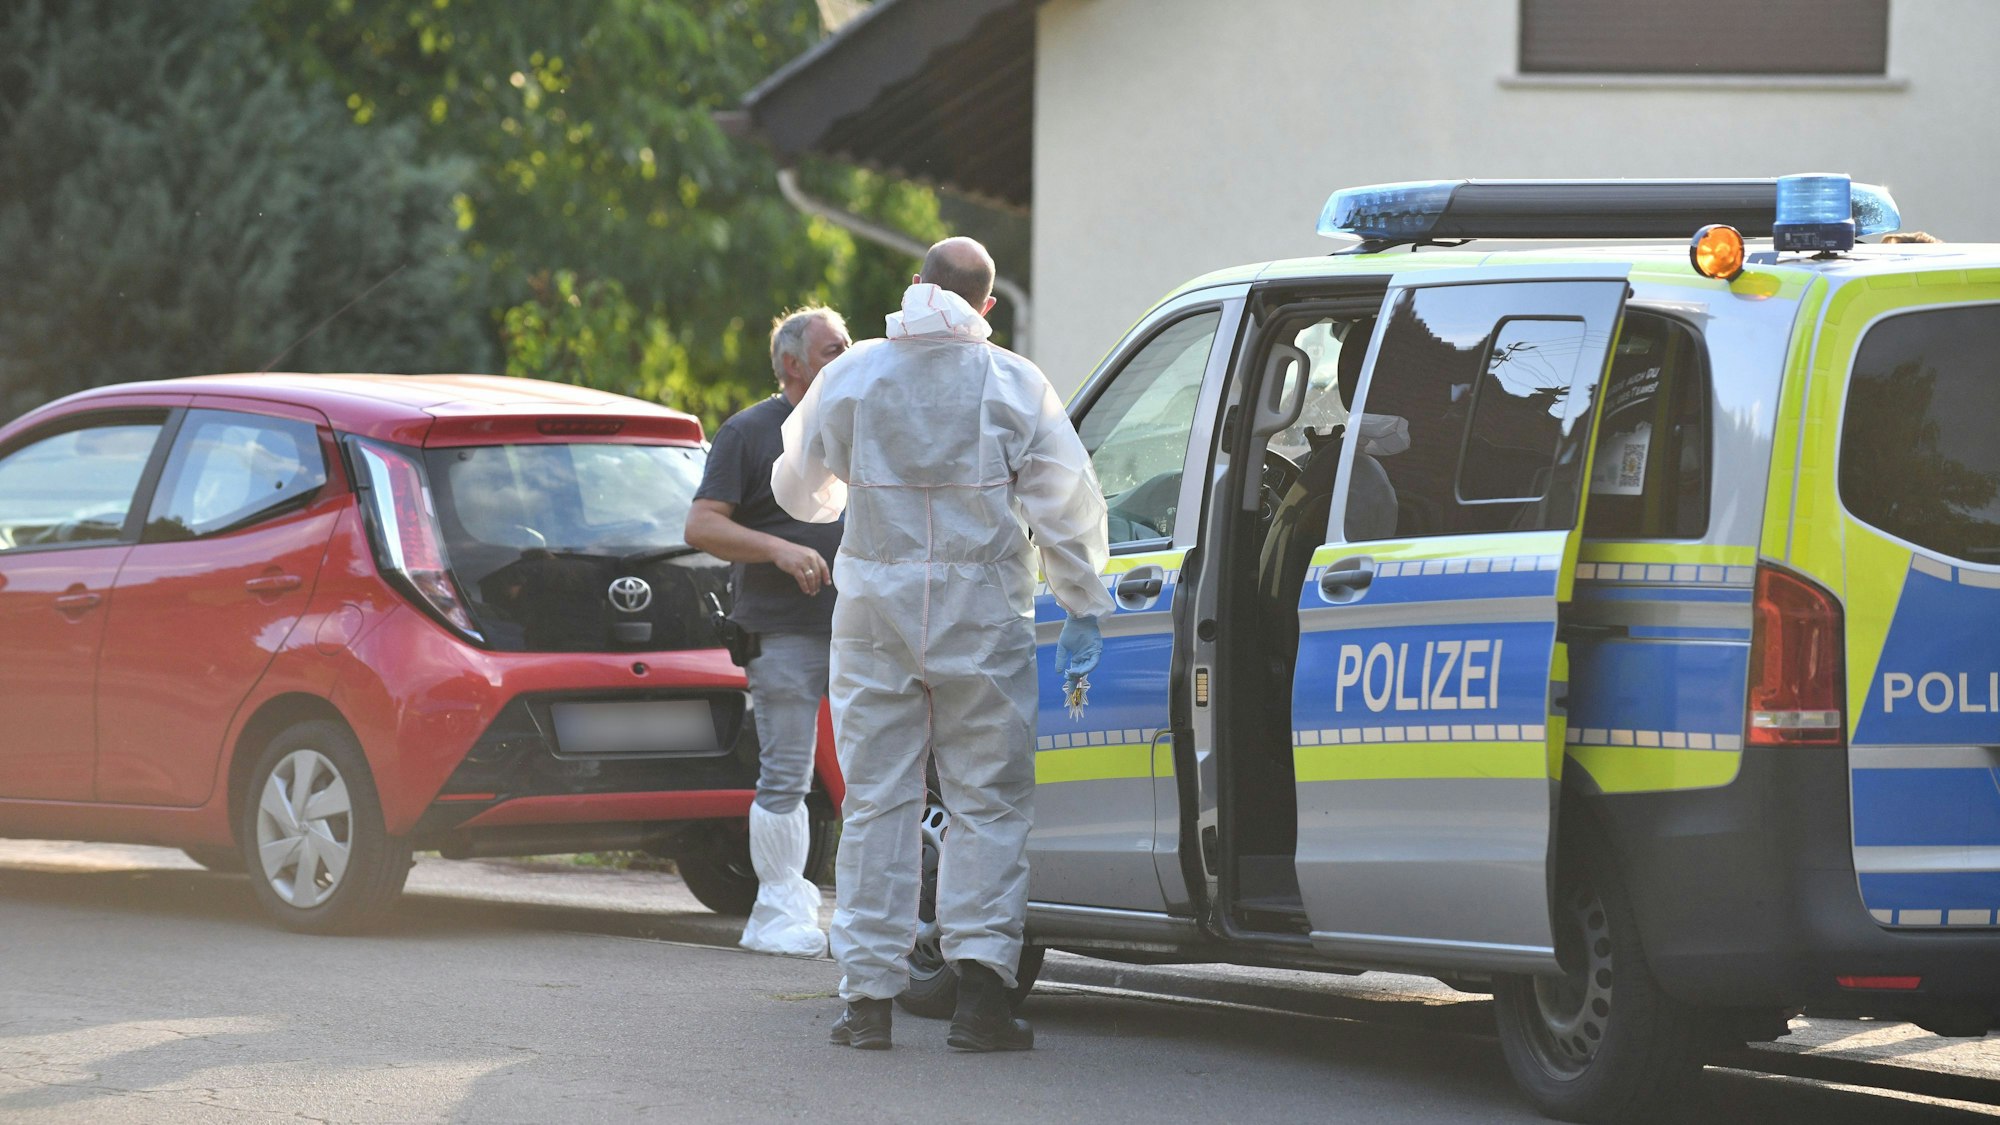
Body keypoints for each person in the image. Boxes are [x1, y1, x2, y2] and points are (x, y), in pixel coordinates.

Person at [773, 237, 1113, 1052]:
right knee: (988, 802)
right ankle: (982, 1001)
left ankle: (865, 1005)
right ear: (986, 307)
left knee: (878, 801)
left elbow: (799, 491)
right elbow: (1066, 506)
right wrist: (1083, 603)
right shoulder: (1014, 383)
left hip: (875, 617)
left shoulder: (850, 376)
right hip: (983, 614)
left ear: (913, 286)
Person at [684, 306, 852, 958]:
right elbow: (701, 526)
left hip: (863, 631)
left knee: (876, 776)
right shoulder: (748, 433)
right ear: (792, 365)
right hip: (784, 634)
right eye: (833, 350)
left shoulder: (858, 433)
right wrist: (778, 550)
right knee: (787, 775)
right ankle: (777, 915)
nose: (848, 358)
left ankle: (867, 915)